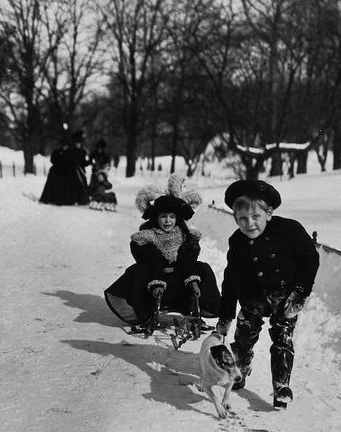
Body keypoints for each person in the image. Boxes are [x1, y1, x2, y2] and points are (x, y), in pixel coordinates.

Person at [215, 179, 320, 409]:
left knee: (283, 337)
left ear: (269, 213)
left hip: (285, 296)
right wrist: (226, 316)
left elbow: (310, 259)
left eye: (255, 217)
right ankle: (239, 369)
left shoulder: (289, 230)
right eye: (242, 219)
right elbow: (232, 278)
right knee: (245, 333)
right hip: (253, 296)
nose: (249, 224)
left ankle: (281, 385)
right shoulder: (238, 242)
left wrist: (300, 294)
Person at [105, 173, 221, 330]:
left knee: (203, 268)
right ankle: (144, 314)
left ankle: (194, 310)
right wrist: (157, 283)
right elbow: (152, 261)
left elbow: (188, 260)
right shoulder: (147, 237)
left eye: (172, 217)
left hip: (180, 284)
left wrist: (192, 280)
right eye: (163, 217)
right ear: (156, 218)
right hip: (155, 281)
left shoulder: (186, 237)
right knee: (136, 271)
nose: (168, 221)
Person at [39, 130, 89, 206]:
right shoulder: (60, 151)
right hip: (62, 170)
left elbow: (80, 161)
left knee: (78, 185)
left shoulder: (78, 151)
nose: (64, 147)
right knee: (56, 183)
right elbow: (56, 160)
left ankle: (79, 199)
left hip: (76, 171)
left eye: (78, 143)